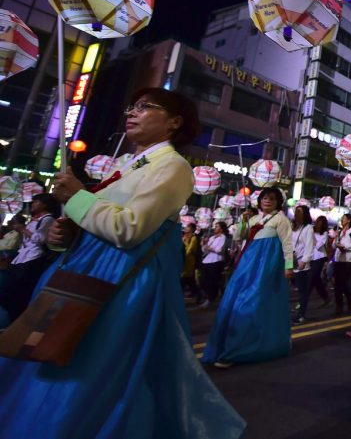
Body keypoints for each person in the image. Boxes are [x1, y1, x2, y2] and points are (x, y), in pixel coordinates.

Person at [0, 88, 245, 437]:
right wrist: (65, 232)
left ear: (174, 122)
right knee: (56, 355)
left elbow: (128, 229)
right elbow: (97, 220)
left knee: (89, 370)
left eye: (146, 107)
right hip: (85, 271)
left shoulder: (173, 167)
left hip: (117, 282)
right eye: (132, 106)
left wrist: (77, 196)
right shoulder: (126, 164)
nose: (132, 112)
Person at [202, 187, 293, 368]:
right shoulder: (253, 219)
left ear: (278, 203)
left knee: (252, 303)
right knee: (236, 302)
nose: (267, 201)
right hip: (247, 265)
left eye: (272, 199)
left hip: (265, 266)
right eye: (264, 198)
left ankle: (239, 348)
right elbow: (238, 237)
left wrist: (289, 267)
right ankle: (230, 345)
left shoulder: (280, 219)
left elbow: (287, 244)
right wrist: (243, 222)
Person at [0, 193, 60, 326]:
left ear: (44, 204)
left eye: (36, 202)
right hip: (22, 258)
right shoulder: (35, 219)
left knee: (16, 291)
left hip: (32, 259)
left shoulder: (47, 219)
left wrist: (22, 229)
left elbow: (40, 239)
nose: (32, 204)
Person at [291, 205, 316, 323]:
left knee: (302, 291)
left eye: (300, 211)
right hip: (291, 261)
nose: (297, 213)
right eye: (296, 211)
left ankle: (301, 314)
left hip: (301, 262)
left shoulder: (308, 228)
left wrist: (304, 261)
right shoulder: (293, 227)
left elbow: (309, 246)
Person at [332, 213, 351, 316]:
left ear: (348, 220)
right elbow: (334, 245)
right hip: (338, 259)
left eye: (343, 219)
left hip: (348, 260)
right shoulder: (340, 232)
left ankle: (350, 300)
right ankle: (339, 306)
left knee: (344, 283)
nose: (342, 220)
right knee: (337, 285)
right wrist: (336, 242)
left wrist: (344, 246)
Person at [199, 221, 228, 307]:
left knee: (212, 281)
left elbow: (219, 250)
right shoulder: (211, 238)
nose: (215, 228)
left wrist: (209, 248)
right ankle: (208, 296)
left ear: (221, 229)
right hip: (207, 261)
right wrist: (204, 244)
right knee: (204, 280)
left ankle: (211, 299)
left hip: (216, 261)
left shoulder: (223, 237)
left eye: (217, 226)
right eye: (215, 226)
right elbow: (204, 250)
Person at [180, 223, 203, 302]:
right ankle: (197, 294)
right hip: (184, 260)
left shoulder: (194, 238)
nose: (185, 229)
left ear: (192, 229)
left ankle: (198, 294)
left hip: (190, 261)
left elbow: (190, 250)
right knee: (189, 280)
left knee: (187, 279)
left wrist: (185, 242)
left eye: (187, 227)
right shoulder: (185, 236)